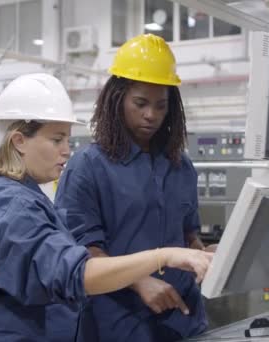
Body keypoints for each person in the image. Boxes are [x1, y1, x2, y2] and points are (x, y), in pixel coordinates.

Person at [0, 73, 213, 342]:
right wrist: (161, 257)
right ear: (19, 141)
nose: (66, 151)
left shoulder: (27, 196)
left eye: (67, 140)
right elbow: (78, 273)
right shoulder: (11, 206)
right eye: (57, 140)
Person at [54, 34, 213, 341]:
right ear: (118, 99)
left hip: (184, 320)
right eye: (140, 103)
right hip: (118, 324)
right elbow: (82, 255)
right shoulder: (88, 167)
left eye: (160, 105)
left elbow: (189, 237)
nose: (150, 114)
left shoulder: (180, 166)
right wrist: (141, 282)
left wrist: (210, 256)